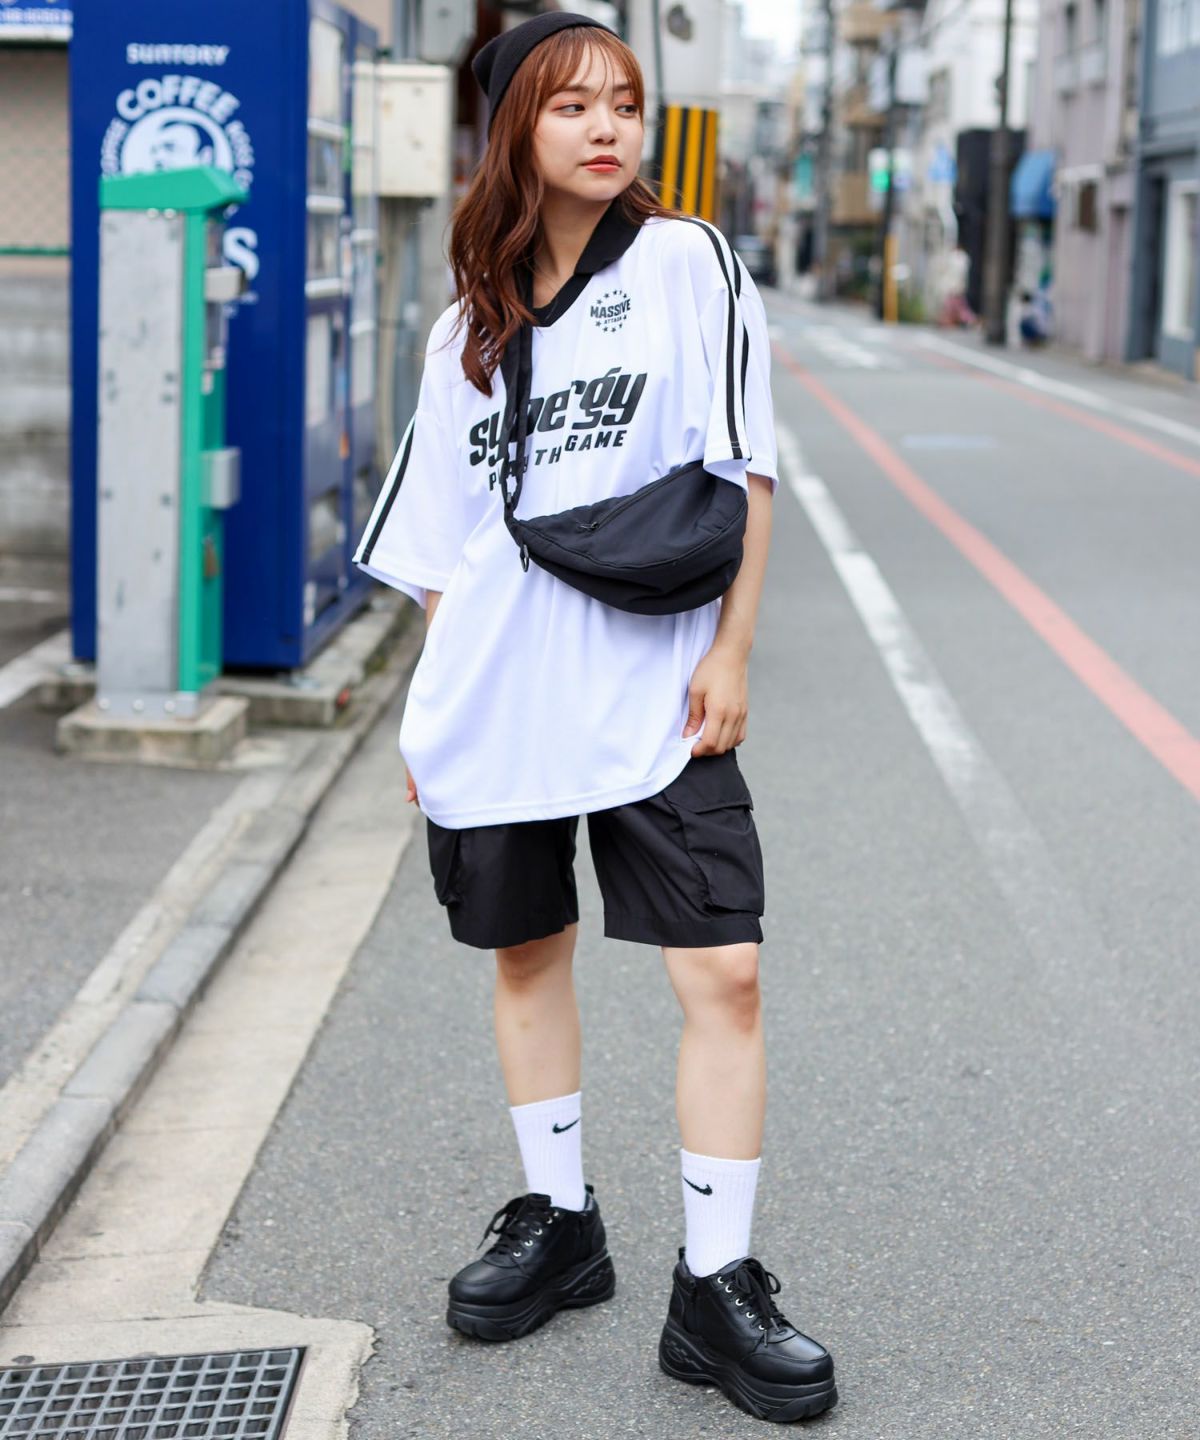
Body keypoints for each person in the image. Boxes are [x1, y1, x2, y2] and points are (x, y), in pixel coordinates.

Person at [353, 13, 837, 1425]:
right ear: (514, 129)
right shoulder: (464, 328)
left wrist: (732, 651)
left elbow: (744, 470)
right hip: (500, 698)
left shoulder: (687, 263)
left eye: (623, 100)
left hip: (658, 689)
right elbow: (438, 550)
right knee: (525, 954)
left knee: (724, 972)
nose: (607, 125)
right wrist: (442, 710)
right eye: (570, 105)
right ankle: (559, 1221)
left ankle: (718, 1285)